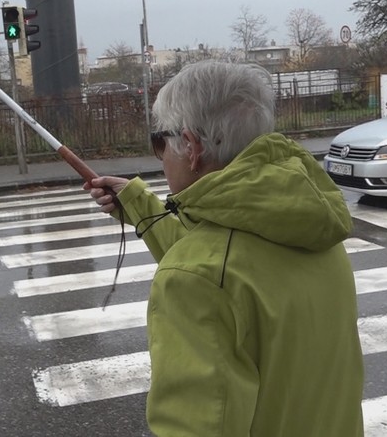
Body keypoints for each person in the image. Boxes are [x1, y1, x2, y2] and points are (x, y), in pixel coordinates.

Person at [84, 61, 364, 436]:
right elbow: (218, 263)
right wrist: (136, 203)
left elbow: (206, 273)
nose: (160, 156)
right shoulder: (310, 225)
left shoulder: (198, 277)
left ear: (192, 148)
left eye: (159, 142)